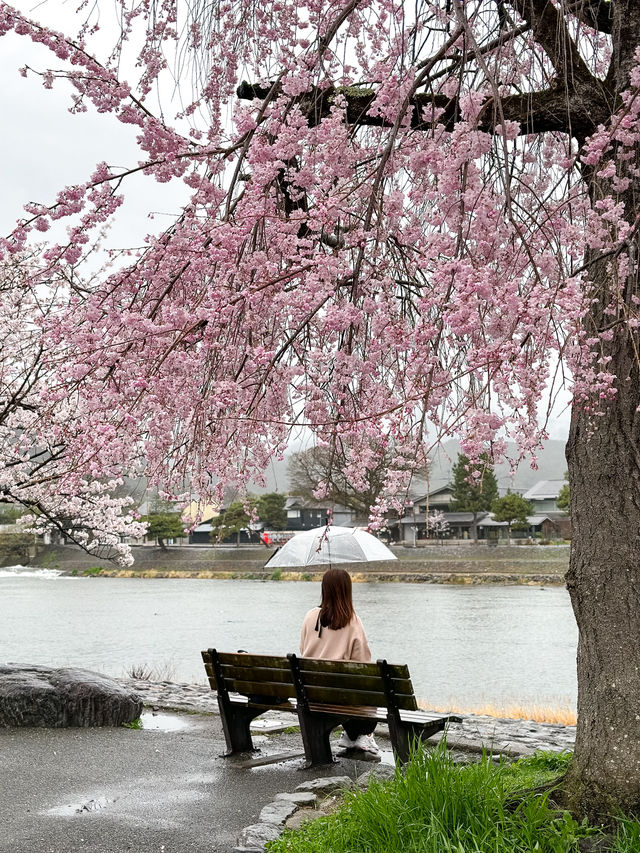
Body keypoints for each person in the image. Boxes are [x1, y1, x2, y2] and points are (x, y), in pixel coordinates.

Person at [299, 567, 379, 755]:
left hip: (311, 694)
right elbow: (363, 663)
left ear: (324, 589)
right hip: (341, 697)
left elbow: (303, 651)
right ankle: (362, 735)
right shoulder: (353, 621)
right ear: (347, 590)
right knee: (369, 690)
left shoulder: (310, 616)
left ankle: (351, 737)